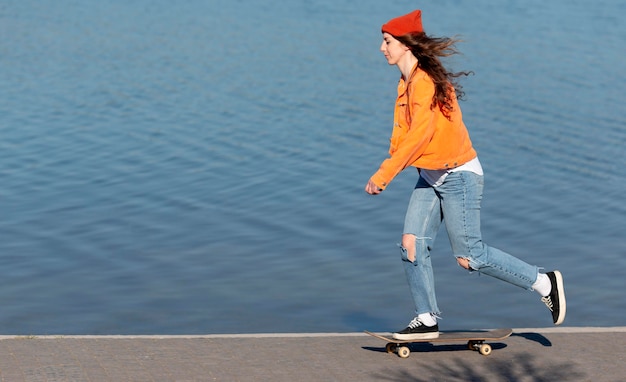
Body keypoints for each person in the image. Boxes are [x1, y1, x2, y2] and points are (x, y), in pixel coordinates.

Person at [365, 9, 566, 340]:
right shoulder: (407, 82)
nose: (382, 48)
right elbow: (402, 138)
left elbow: (420, 137)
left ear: (406, 45)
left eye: (387, 42)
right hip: (431, 176)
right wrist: (391, 163)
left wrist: (384, 175)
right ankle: (426, 318)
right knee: (411, 244)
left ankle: (545, 282)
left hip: (458, 175)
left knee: (470, 257)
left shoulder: (424, 83)